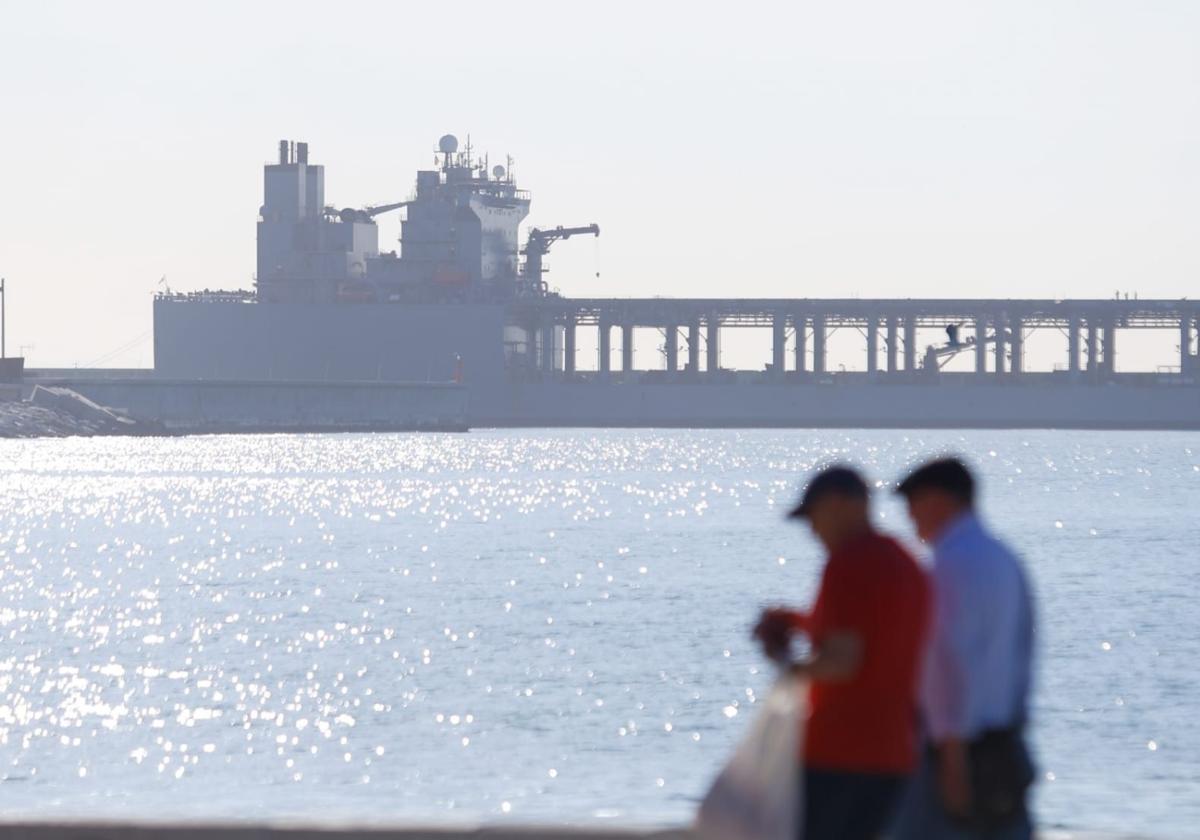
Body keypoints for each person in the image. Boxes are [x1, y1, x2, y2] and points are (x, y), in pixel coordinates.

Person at [753, 466, 930, 840]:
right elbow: (875, 634)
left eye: (813, 518)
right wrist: (799, 621)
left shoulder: (849, 563)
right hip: (894, 755)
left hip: (839, 752)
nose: (813, 532)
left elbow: (841, 662)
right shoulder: (907, 562)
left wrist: (787, 664)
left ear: (837, 505)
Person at [891, 457, 1036, 840]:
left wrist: (952, 761)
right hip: (1004, 746)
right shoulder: (1005, 559)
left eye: (913, 504)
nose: (909, 517)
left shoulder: (947, 566)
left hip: (952, 753)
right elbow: (1023, 656)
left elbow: (947, 663)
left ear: (938, 501)